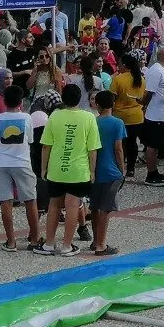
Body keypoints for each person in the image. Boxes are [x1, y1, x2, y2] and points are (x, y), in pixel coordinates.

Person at [40, 82, 99, 256]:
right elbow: (92, 149)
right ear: (80, 98)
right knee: (73, 206)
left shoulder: (54, 116)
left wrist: (43, 168)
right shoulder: (88, 118)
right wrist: (93, 171)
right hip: (78, 170)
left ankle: (49, 243)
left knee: (54, 205)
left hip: (57, 168)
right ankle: (67, 245)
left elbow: (46, 146)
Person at [0, 85, 42, 253]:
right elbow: (30, 140)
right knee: (30, 199)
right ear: (21, 102)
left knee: (6, 201)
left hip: (2, 161)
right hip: (21, 161)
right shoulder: (27, 118)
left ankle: (11, 240)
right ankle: (35, 238)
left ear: (4, 101)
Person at [90, 90, 127, 256]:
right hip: (111, 171)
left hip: (94, 170)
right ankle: (101, 245)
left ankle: (95, 240)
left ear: (97, 105)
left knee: (95, 206)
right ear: (113, 104)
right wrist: (122, 169)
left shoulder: (93, 122)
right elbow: (118, 148)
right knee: (106, 208)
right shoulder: (117, 123)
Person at [109, 53, 150, 180]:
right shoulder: (141, 79)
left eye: (119, 64)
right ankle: (131, 168)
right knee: (133, 143)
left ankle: (120, 166)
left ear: (125, 65)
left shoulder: (118, 79)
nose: (118, 66)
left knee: (121, 144)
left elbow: (112, 98)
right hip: (137, 116)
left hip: (120, 116)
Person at [140, 49, 164, 185]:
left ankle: (155, 171)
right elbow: (149, 92)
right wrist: (142, 102)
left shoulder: (161, 70)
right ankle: (151, 174)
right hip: (155, 114)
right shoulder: (156, 71)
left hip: (162, 113)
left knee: (157, 145)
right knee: (152, 145)